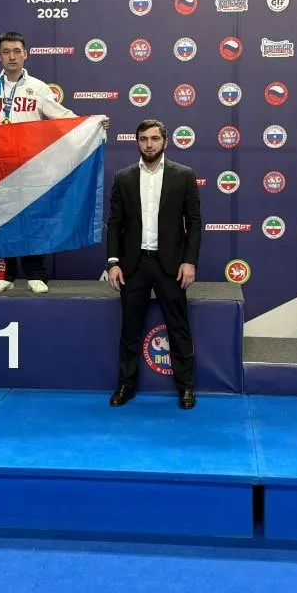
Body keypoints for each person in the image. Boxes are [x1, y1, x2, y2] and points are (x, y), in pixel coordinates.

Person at [0, 30, 107, 294]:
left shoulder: (38, 88)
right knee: (1, 220)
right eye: (6, 52)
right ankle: (4, 275)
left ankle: (36, 274)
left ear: (25, 54)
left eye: (16, 51)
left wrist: (91, 124)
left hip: (31, 166)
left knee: (32, 219)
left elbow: (62, 117)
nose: (11, 57)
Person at [104, 119, 202, 410]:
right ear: (137, 142)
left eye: (154, 138)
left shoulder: (183, 175)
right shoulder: (123, 177)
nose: (149, 144)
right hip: (133, 265)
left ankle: (186, 387)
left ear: (165, 142)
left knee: (178, 328)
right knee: (130, 329)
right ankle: (126, 385)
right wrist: (113, 262)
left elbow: (194, 222)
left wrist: (189, 261)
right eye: (143, 139)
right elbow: (115, 223)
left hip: (170, 265)